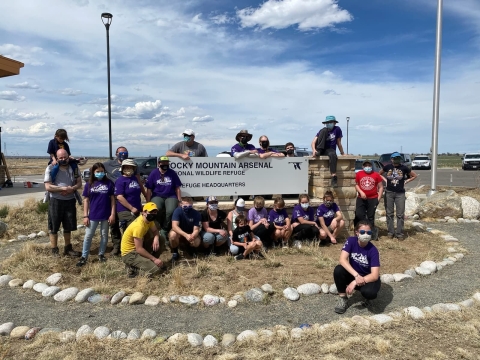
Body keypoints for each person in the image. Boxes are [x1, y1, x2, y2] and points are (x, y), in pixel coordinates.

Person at [104, 146, 146, 255]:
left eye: (125, 152)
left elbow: (138, 181)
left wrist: (146, 195)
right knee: (114, 224)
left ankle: (129, 247)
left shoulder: (132, 166)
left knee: (128, 225)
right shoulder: (108, 164)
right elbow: (96, 170)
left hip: (129, 201)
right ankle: (116, 246)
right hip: (113, 198)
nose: (123, 154)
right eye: (120, 153)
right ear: (116, 153)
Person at [333, 220, 381, 314]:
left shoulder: (373, 250)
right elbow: (342, 260)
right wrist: (356, 276)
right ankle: (343, 298)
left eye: (369, 232)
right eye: (362, 232)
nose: (365, 234)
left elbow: (375, 275)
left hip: (368, 278)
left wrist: (355, 282)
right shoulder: (351, 241)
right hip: (355, 274)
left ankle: (368, 299)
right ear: (357, 232)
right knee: (338, 270)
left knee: (369, 293)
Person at [44, 149, 82, 257]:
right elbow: (48, 186)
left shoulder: (73, 167)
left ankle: (68, 249)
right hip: (56, 201)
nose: (63, 159)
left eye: (65, 157)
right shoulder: (51, 168)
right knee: (54, 226)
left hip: (70, 200)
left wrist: (72, 188)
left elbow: (79, 183)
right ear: (56, 157)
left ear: (68, 156)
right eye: (60, 157)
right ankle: (54, 251)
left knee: (68, 226)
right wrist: (62, 189)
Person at [76, 163, 115, 267]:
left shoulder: (109, 183)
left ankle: (101, 254)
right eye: (97, 171)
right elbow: (86, 200)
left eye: (102, 171)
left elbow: (112, 200)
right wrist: (85, 216)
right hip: (93, 215)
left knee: (104, 235)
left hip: (106, 215)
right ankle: (84, 256)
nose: (100, 173)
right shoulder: (89, 184)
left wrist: (112, 214)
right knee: (88, 236)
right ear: (93, 172)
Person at [379, 152, 417, 240]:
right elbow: (379, 173)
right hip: (389, 192)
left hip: (400, 193)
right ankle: (390, 232)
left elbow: (414, 175)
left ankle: (399, 233)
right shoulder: (388, 167)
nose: (396, 159)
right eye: (395, 158)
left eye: (398, 158)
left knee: (400, 214)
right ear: (391, 159)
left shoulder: (404, 167)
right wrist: (386, 180)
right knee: (389, 213)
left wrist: (406, 181)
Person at [121, 202, 165, 277]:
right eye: (151, 212)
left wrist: (156, 238)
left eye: (155, 212)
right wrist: (154, 259)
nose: (153, 214)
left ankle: (150, 263)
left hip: (139, 247)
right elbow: (139, 249)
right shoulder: (139, 226)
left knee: (160, 239)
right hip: (130, 254)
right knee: (156, 271)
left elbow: (155, 231)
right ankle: (132, 268)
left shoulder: (149, 221)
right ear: (144, 212)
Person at [145, 156, 182, 241]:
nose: (165, 164)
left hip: (170, 195)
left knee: (170, 211)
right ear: (159, 164)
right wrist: (148, 202)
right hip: (157, 195)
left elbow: (177, 188)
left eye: (166, 163)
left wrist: (179, 201)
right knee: (156, 209)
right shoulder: (154, 173)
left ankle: (165, 229)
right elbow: (149, 189)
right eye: (163, 163)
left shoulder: (172, 173)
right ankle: (157, 227)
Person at [311, 115, 345, 187]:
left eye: (330, 122)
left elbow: (339, 143)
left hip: (329, 149)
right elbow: (313, 142)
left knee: (333, 154)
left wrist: (342, 153)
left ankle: (334, 176)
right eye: (327, 122)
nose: (328, 124)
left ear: (334, 123)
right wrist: (314, 150)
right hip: (320, 148)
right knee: (324, 130)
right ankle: (319, 151)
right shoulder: (322, 130)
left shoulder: (337, 129)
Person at [355, 160, 384, 240]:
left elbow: (381, 187)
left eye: (369, 165)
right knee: (359, 215)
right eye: (366, 166)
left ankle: (370, 234)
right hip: (361, 198)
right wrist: (361, 192)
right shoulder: (359, 174)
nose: (368, 167)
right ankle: (361, 231)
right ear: (363, 167)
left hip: (373, 198)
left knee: (371, 216)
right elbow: (356, 185)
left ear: (371, 166)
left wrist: (378, 198)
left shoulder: (376, 175)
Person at [169, 197, 202, 261]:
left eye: (189, 205)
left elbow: (196, 229)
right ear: (181, 204)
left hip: (190, 232)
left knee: (196, 241)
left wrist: (192, 235)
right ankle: (175, 252)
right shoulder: (177, 211)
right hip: (179, 232)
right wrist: (185, 235)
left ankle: (191, 248)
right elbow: (174, 226)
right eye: (185, 205)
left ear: (192, 205)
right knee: (173, 235)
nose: (187, 207)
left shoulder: (196, 214)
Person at [115, 159, 143, 232]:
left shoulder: (134, 178)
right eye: (126, 167)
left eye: (130, 167)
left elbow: (136, 194)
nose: (128, 169)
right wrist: (131, 208)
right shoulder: (120, 180)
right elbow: (119, 197)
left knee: (138, 232)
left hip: (136, 210)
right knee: (133, 231)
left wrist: (139, 206)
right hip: (125, 210)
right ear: (123, 168)